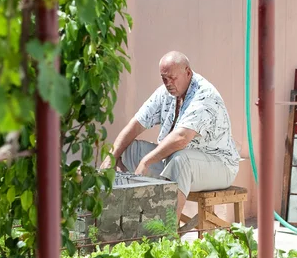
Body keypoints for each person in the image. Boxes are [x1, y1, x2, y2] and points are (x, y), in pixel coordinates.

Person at [101, 51, 240, 219]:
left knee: (181, 161)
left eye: (172, 78)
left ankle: (165, 235)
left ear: (187, 72)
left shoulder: (205, 95)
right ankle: (130, 218)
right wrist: (110, 158)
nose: (168, 83)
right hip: (175, 159)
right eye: (164, 78)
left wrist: (147, 161)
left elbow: (181, 138)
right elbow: (135, 125)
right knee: (128, 149)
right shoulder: (165, 92)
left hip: (219, 164)